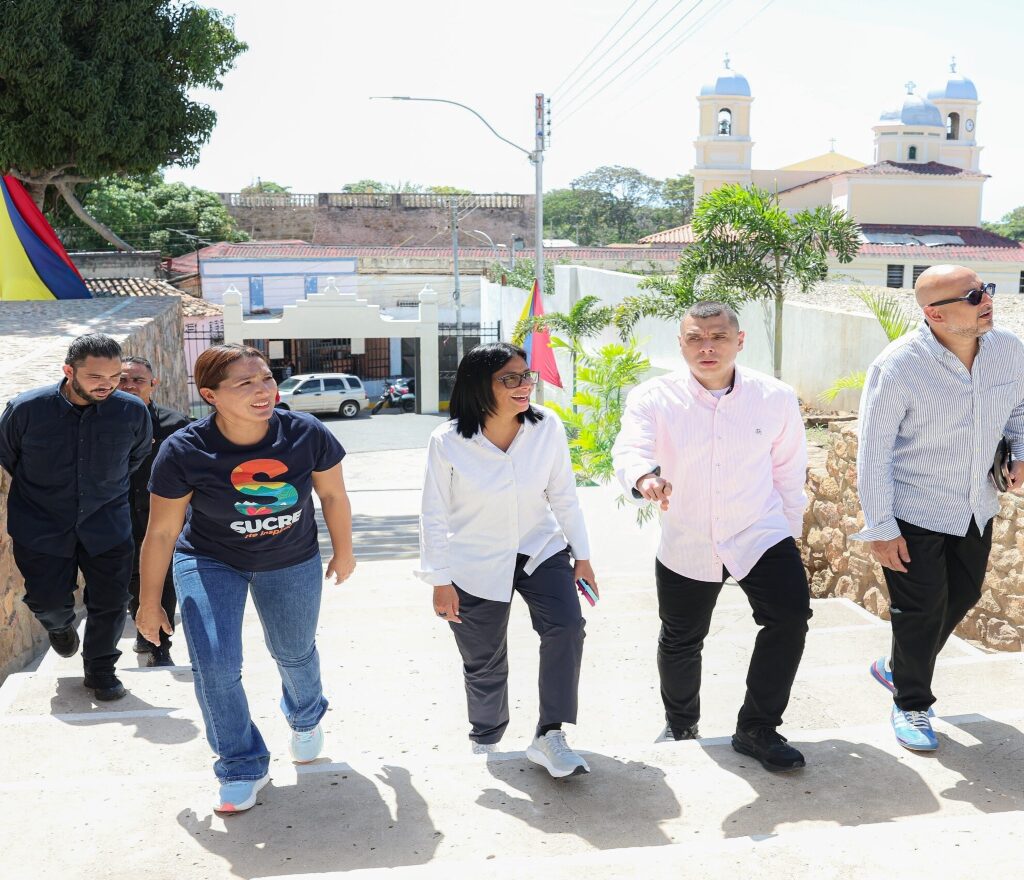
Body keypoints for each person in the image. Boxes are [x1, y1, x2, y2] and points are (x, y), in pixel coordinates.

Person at [137, 343, 356, 813]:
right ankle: (240, 764)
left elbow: (333, 496)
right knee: (214, 665)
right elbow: (161, 531)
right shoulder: (184, 450)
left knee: (294, 653)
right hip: (210, 559)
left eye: (266, 378)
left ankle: (305, 715)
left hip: (290, 558)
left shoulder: (305, 433)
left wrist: (344, 551)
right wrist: (149, 602)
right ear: (210, 395)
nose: (263, 390)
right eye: (245, 383)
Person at [612, 302, 811, 772]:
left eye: (718, 337)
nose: (707, 347)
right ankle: (681, 724)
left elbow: (788, 470)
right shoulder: (652, 397)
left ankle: (758, 727)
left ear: (739, 341)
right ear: (680, 344)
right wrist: (645, 477)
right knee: (681, 638)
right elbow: (631, 447)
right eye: (696, 337)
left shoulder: (776, 396)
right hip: (688, 535)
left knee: (789, 619)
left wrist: (791, 533)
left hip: (759, 530)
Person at [853, 265, 1024, 752]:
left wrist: (1022, 450)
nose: (987, 299)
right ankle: (911, 702)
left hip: (975, 505)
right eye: (973, 296)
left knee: (965, 595)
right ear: (935, 314)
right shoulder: (899, 365)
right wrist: (881, 527)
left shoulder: (1009, 349)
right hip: (912, 507)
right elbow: (873, 451)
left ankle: (895, 667)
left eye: (985, 289)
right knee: (919, 609)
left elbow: (1020, 407)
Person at [418, 342, 597, 778]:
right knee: (483, 658)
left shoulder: (547, 427)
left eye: (526, 376)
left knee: (567, 627)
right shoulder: (447, 442)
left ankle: (550, 734)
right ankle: (486, 738)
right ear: (482, 384)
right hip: (473, 560)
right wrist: (440, 579)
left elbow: (563, 495)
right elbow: (433, 513)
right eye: (510, 378)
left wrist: (584, 556)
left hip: (540, 548)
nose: (525, 385)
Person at [0, 333, 152, 701]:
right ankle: (60, 626)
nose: (108, 385)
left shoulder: (131, 411)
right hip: (41, 527)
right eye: (97, 377)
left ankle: (101, 671)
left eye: (115, 377)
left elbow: (136, 458)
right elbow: (9, 456)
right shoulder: (25, 410)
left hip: (108, 525)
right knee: (48, 603)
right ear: (69, 371)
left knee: (112, 603)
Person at [118, 355, 191, 666]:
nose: (131, 385)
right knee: (134, 581)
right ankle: (143, 631)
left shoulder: (176, 425)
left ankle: (161, 648)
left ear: (153, 384)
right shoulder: (98, 423)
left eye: (138, 380)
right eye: (123, 380)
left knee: (164, 581)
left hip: (162, 521)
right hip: (117, 519)